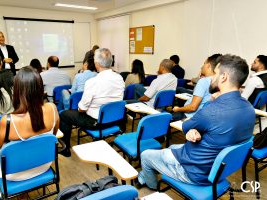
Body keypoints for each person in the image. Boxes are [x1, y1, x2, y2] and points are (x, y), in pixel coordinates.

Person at [136, 54, 255, 189]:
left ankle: (151, 187)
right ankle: (146, 174)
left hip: (194, 172)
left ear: (223, 77)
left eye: (215, 74)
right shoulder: (249, 109)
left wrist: (210, 105)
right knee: (171, 148)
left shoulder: (213, 109)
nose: (212, 78)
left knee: (145, 155)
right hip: (216, 170)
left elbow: (186, 125)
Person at [0, 66, 59, 193]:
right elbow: (52, 135)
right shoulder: (52, 108)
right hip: (43, 164)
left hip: (14, 173)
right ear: (41, 86)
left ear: (18, 90)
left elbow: (0, 146)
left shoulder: (8, 121)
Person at [59, 48, 125, 157]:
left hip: (96, 122)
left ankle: (66, 149)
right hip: (115, 120)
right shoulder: (119, 78)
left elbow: (82, 109)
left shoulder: (92, 82)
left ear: (97, 63)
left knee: (64, 115)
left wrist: (81, 108)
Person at [172, 54, 222, 120]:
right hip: (205, 117)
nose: (201, 67)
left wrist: (178, 109)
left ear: (208, 65)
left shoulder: (204, 81)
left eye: (204, 63)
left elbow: (193, 107)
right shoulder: (220, 82)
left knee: (165, 118)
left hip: (190, 116)